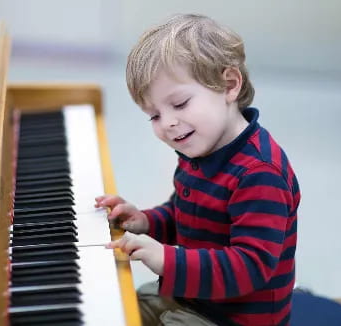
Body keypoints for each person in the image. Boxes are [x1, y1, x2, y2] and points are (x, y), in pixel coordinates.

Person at [95, 13, 300, 326]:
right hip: (197, 298)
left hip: (238, 318)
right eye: (154, 116)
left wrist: (166, 258)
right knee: (123, 309)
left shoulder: (259, 173)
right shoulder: (201, 149)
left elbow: (251, 266)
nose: (168, 124)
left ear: (229, 85)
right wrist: (146, 221)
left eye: (179, 104)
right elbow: (186, 212)